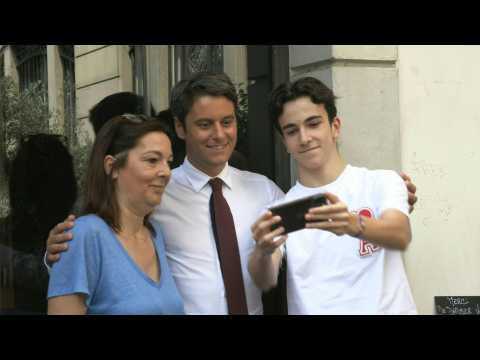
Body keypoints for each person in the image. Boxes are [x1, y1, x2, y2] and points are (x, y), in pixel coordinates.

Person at [46, 72, 418, 315]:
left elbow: (269, 274)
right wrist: (57, 253)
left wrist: (393, 202)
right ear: (180, 126)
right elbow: (108, 228)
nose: (219, 134)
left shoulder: (268, 192)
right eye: (204, 124)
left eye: (227, 122)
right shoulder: (157, 190)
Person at [248, 77, 417, 314]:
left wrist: (353, 224)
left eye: (313, 124)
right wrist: (262, 251)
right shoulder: (282, 208)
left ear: (335, 126)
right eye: (292, 130)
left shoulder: (381, 182)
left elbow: (400, 234)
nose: (305, 138)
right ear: (284, 142)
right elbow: (265, 280)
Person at [47, 114, 184, 315]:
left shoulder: (155, 235)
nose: (166, 171)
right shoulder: (85, 235)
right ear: (112, 167)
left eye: (168, 162)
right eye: (152, 160)